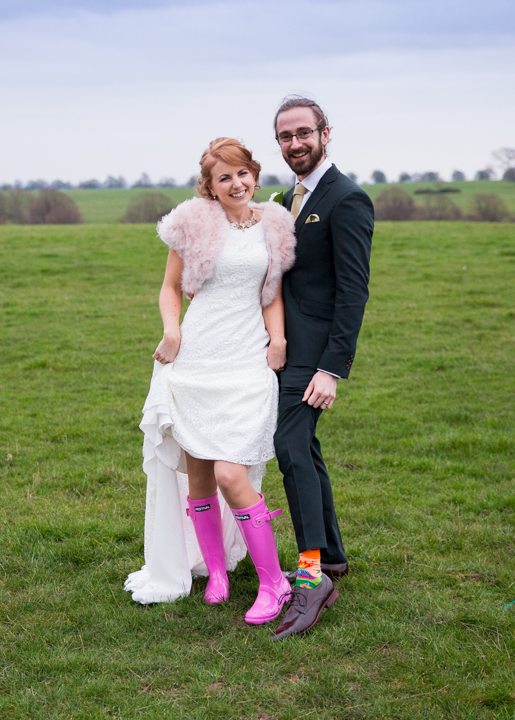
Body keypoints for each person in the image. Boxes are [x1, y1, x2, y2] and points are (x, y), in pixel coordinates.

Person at [125, 138, 298, 626]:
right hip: (197, 358)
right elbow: (170, 286)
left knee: (230, 473)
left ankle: (274, 583)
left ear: (254, 175)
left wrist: (278, 341)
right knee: (198, 472)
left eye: (242, 173)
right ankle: (216, 572)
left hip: (246, 360)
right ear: (211, 186)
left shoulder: (275, 225)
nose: (236, 183)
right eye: (224, 178)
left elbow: (272, 294)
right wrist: (172, 330)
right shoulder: (194, 225)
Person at [269, 96, 375, 640]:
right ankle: (330, 557)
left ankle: (311, 579)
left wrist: (331, 369)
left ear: (325, 134)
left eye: (304, 133)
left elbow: (353, 292)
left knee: (289, 448)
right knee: (304, 449)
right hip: (283, 349)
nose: (295, 144)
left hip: (314, 357)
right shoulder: (286, 198)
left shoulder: (347, 199)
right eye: (285, 137)